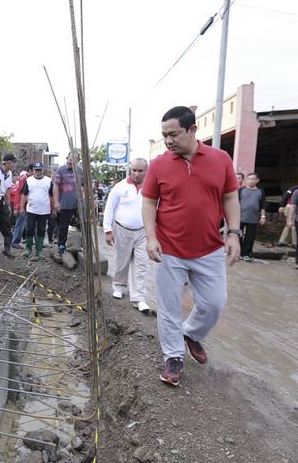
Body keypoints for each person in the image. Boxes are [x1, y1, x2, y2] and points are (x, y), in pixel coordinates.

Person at [142, 106, 241, 387]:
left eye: (173, 134)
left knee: (214, 303)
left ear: (193, 130)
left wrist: (233, 234)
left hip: (209, 248)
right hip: (169, 250)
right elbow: (149, 202)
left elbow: (230, 198)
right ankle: (173, 356)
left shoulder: (220, 159)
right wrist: (151, 237)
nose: (169, 140)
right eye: (164, 135)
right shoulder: (159, 164)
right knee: (169, 307)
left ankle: (191, 334)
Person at [103, 158, 154, 314]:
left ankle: (139, 298)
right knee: (122, 261)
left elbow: (156, 207)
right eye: (134, 170)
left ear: (147, 171)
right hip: (122, 229)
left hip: (143, 231)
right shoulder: (121, 187)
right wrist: (107, 230)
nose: (136, 173)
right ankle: (119, 286)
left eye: (140, 171)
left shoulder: (151, 187)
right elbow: (109, 208)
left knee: (142, 264)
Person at [19, 162, 53, 260]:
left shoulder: (49, 181)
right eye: (36, 170)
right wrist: (21, 207)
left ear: (43, 170)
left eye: (40, 170)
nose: (38, 172)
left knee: (41, 230)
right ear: (33, 170)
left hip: (44, 210)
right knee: (29, 229)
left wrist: (54, 207)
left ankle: (39, 251)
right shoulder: (28, 180)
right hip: (31, 209)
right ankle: (28, 249)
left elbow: (51, 195)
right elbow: (24, 195)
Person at [53, 152, 84, 254]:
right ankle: (61, 245)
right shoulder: (61, 170)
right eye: (70, 159)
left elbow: (85, 186)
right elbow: (56, 186)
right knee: (63, 225)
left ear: (78, 161)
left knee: (83, 224)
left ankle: (83, 244)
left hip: (77, 204)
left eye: (74, 160)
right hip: (64, 204)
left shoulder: (80, 171)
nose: (72, 162)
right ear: (67, 159)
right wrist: (56, 202)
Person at [238, 172, 266, 261]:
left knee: (250, 237)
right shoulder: (241, 190)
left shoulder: (260, 191)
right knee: (238, 235)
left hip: (253, 218)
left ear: (257, 180)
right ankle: (238, 253)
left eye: (253, 179)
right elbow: (235, 203)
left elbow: (262, 205)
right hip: (240, 217)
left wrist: (263, 216)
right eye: (249, 179)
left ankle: (246, 254)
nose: (250, 181)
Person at [10, 166, 32, 248]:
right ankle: (15, 241)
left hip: (24, 205)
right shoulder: (24, 179)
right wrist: (18, 207)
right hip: (22, 205)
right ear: (30, 171)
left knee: (23, 223)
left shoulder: (25, 178)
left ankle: (20, 240)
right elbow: (22, 193)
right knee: (20, 224)